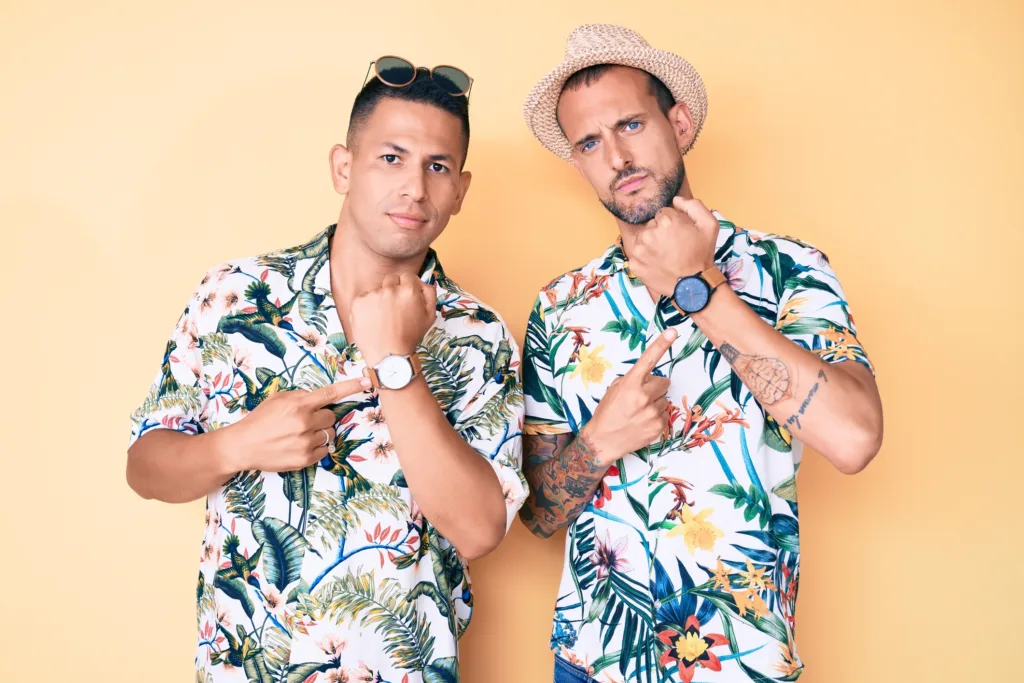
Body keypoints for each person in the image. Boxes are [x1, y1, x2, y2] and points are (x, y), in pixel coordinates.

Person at [127, 57, 527, 683]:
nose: (414, 188)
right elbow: (145, 467)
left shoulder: (481, 335)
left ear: (460, 190)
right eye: (391, 158)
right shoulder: (232, 295)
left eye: (438, 167)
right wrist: (237, 444)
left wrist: (396, 364)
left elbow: (479, 530)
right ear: (343, 167)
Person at [519, 24, 883, 683]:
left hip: (739, 662)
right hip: (592, 662)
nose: (617, 157)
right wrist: (598, 442)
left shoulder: (790, 269)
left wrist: (699, 287)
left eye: (631, 124)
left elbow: (853, 439)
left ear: (679, 123)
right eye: (590, 142)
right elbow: (539, 515)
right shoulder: (560, 306)